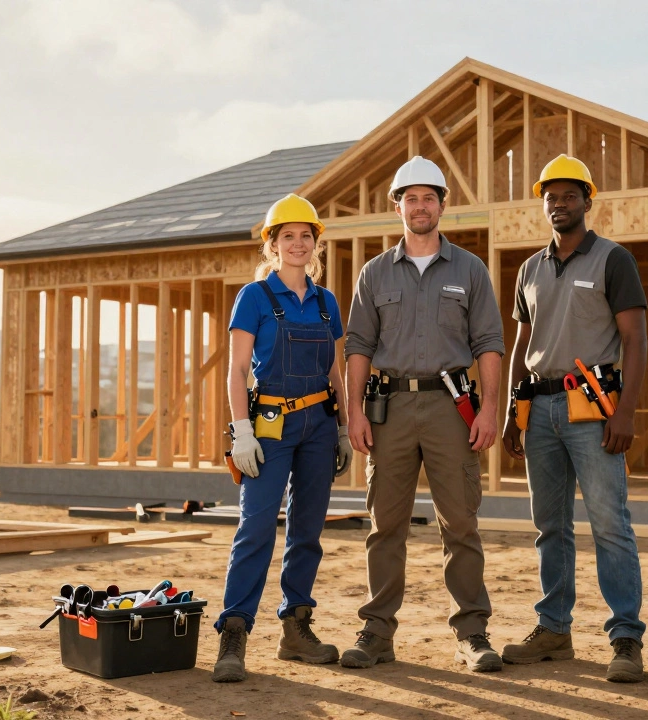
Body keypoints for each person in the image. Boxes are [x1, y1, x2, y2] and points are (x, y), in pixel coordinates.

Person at [340, 156, 506, 673]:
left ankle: (473, 634)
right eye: (409, 198)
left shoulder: (470, 269)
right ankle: (377, 633)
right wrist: (355, 414)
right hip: (386, 410)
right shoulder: (374, 273)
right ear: (397, 206)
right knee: (384, 524)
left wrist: (491, 410)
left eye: (428, 197)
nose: (419, 206)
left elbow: (490, 344)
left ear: (442, 205)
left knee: (460, 523)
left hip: (451, 408)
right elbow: (359, 348)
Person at [499, 155, 648, 683]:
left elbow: (635, 339)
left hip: (593, 411)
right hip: (539, 411)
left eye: (568, 196)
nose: (558, 205)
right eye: (550, 197)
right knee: (550, 526)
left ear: (588, 200)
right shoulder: (529, 269)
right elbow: (522, 344)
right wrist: (514, 414)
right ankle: (553, 630)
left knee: (610, 524)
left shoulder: (613, 260)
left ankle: (626, 637)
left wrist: (626, 411)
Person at [212, 194, 354, 683]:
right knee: (255, 528)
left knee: (307, 530)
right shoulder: (253, 297)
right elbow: (235, 372)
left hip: (318, 424)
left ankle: (296, 628)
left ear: (316, 244)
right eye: (287, 236)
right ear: (271, 245)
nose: (298, 244)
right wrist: (241, 432)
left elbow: (334, 368)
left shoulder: (325, 301)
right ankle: (234, 633)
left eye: (306, 236)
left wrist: (342, 425)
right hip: (268, 425)